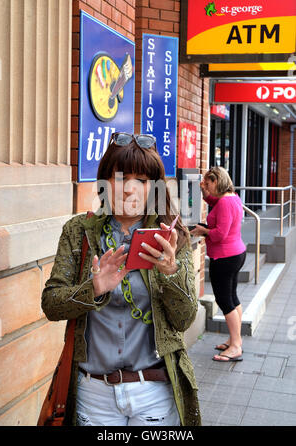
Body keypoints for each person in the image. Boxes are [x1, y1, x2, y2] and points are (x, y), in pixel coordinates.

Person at [41, 132, 201, 426]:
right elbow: (51, 304)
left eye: (140, 180)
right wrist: (95, 288)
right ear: (105, 182)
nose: (129, 189)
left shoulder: (172, 237)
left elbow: (185, 319)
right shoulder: (79, 231)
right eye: (120, 177)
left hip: (154, 391)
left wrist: (170, 273)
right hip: (94, 392)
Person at [190, 166, 246, 362]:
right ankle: (234, 339)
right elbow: (214, 201)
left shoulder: (223, 204)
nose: (206, 186)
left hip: (224, 257)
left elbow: (220, 234)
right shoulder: (232, 197)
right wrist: (204, 194)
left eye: (208, 183)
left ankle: (236, 346)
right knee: (233, 298)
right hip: (237, 253)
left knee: (224, 301)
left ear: (216, 181)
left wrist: (202, 230)